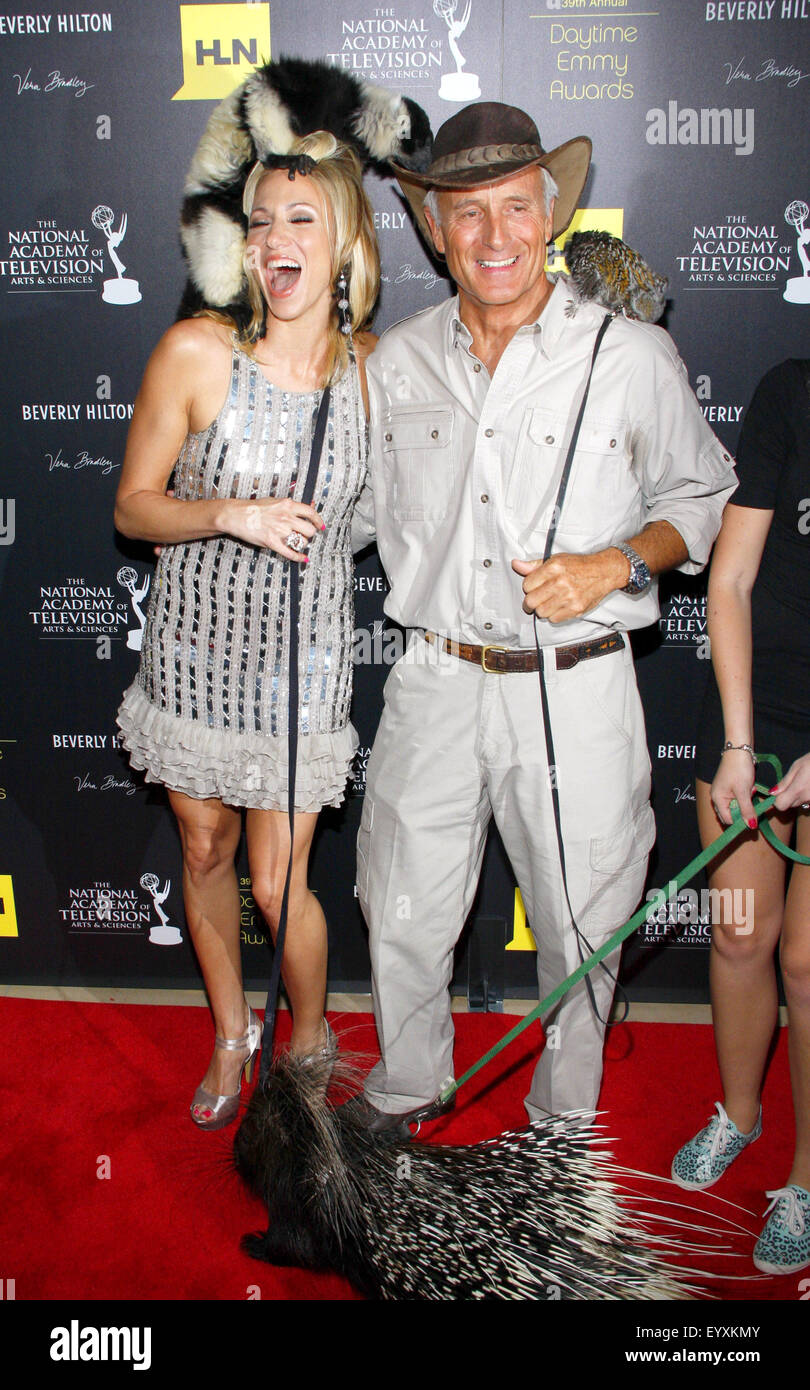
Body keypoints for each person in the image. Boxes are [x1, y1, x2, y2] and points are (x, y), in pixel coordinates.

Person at [348, 102, 737, 1136]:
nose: (494, 238)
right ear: (435, 229)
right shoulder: (394, 365)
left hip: (578, 679)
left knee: (586, 923)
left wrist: (613, 561)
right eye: (466, 215)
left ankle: (562, 1128)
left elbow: (700, 500)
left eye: (514, 209)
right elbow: (345, 515)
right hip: (433, 678)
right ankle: (402, 1093)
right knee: (402, 909)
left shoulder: (630, 356)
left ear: (551, 211)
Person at [114, 133, 379, 1130]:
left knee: (282, 880)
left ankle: (305, 1040)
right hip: (193, 653)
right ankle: (233, 1028)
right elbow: (134, 508)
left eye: (302, 218)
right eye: (262, 218)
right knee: (204, 844)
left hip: (305, 668)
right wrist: (230, 512)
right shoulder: (195, 352)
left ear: (345, 245)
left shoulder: (374, 378)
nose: (276, 235)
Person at [671, 359, 810, 1275]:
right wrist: (735, 741)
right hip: (756, 715)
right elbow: (730, 580)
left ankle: (806, 1177)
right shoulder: (792, 389)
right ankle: (740, 1111)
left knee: (808, 959)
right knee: (738, 932)